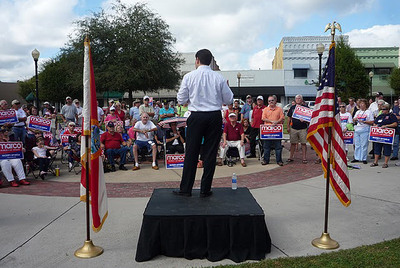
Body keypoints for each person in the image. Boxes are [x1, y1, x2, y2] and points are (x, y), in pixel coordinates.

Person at [174, 49, 233, 197]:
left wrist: (190, 101)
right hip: (214, 115)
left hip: (196, 115)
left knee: (191, 152)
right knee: (210, 153)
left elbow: (181, 100)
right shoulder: (218, 78)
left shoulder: (189, 77)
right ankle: (205, 189)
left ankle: (185, 189)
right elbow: (229, 100)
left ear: (197, 60)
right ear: (210, 61)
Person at [370, 103, 398, 168]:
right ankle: (375, 162)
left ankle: (385, 163)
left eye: (384, 109)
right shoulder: (380, 116)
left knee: (387, 148)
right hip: (379, 135)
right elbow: (374, 122)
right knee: (377, 148)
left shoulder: (392, 116)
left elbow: (395, 124)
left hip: (387, 136)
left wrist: (386, 126)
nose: (383, 110)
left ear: (388, 109)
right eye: (382, 109)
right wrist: (375, 125)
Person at [261, 95, 285, 166]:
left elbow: (282, 117)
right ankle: (266, 160)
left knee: (278, 147)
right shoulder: (265, 109)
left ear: (275, 101)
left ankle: (279, 161)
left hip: (277, 130)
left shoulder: (279, 109)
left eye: (272, 100)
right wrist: (271, 121)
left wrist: (276, 122)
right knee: (266, 147)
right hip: (267, 131)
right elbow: (263, 118)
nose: (271, 102)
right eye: (269, 101)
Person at [287, 94, 309, 164]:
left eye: (299, 98)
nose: (298, 100)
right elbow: (289, 117)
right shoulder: (292, 108)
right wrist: (288, 126)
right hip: (294, 128)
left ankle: (304, 157)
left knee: (303, 143)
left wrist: (305, 120)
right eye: (297, 98)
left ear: (302, 100)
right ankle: (291, 157)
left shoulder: (306, 108)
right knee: (293, 143)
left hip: (303, 128)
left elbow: (309, 118)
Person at [352, 99, 374, 164]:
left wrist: (364, 121)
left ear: (366, 105)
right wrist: (355, 119)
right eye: (360, 104)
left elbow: (372, 121)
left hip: (364, 129)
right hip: (357, 129)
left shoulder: (369, 112)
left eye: (362, 104)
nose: (361, 105)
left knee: (364, 144)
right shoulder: (358, 112)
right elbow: (353, 119)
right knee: (357, 144)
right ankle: (357, 157)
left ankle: (364, 158)